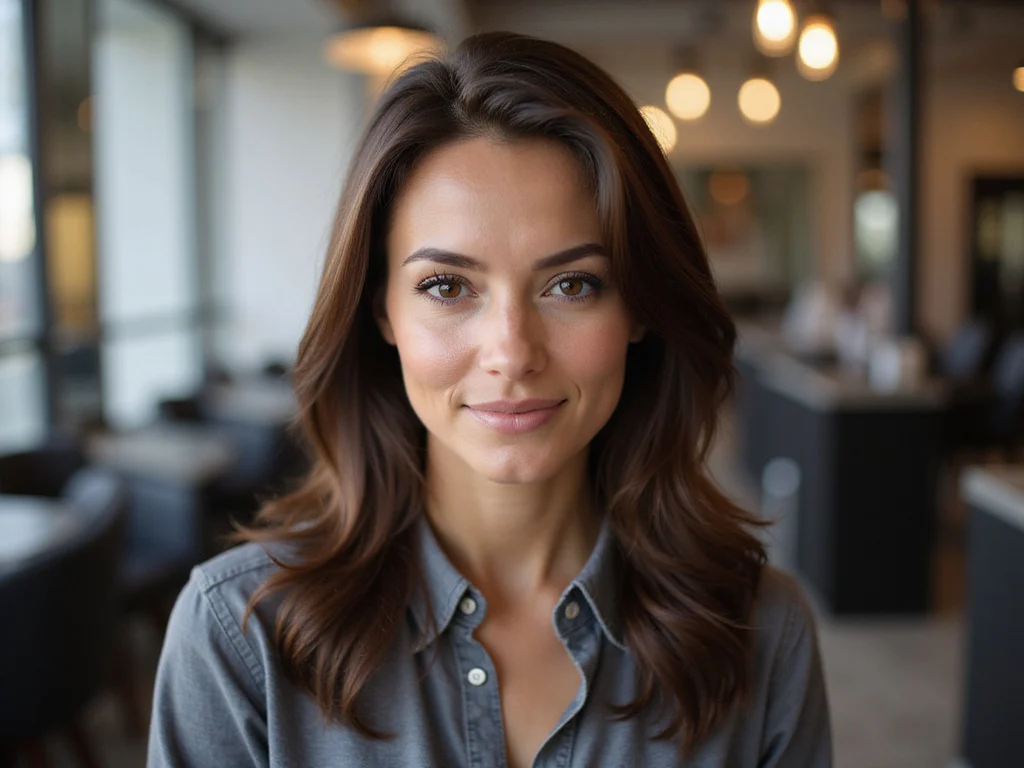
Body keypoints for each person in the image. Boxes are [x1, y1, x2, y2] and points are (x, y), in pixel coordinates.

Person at [147, 31, 832, 768]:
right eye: (447, 287)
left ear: (640, 308)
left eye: (572, 284)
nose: (511, 352)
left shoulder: (763, 632)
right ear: (382, 311)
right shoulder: (239, 638)